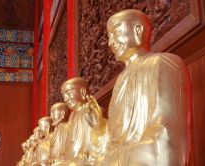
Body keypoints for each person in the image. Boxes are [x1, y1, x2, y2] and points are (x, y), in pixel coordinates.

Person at [85, 9, 192, 165]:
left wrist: (115, 158)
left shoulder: (164, 63)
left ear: (138, 30)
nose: (110, 42)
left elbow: (165, 135)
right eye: (109, 37)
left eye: (117, 32)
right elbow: (116, 139)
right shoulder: (120, 81)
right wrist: (99, 128)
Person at [61, 77, 108, 165]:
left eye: (68, 93)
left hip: (87, 158)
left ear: (83, 92)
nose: (65, 98)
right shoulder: (72, 116)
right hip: (72, 159)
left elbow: (104, 132)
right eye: (63, 95)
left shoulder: (92, 110)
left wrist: (98, 126)